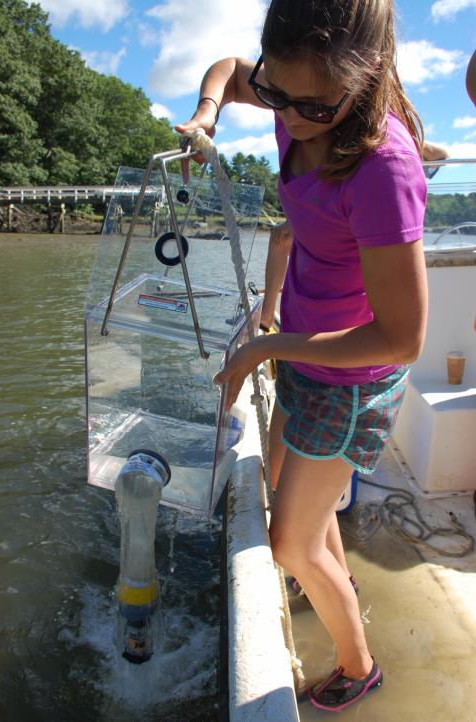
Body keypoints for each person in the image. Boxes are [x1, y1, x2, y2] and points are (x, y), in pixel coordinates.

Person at [176, 0, 428, 712]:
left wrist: (268, 344)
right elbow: (227, 71)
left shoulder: (382, 168)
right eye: (277, 96)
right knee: (305, 530)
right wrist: (206, 118)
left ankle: (359, 665)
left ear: (367, 74)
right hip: (305, 357)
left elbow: (402, 336)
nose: (286, 120)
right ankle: (328, 581)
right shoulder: (300, 93)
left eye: (309, 107)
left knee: (289, 543)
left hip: (353, 382)